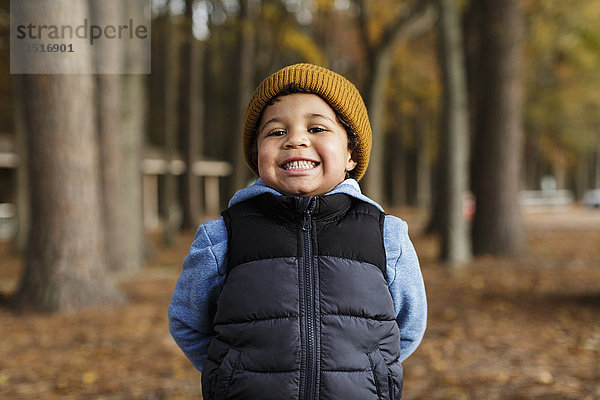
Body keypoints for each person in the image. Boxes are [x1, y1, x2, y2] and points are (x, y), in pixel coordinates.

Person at [168, 63, 427, 400]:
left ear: (351, 152)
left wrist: (375, 371)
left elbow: (408, 325)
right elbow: (188, 322)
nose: (296, 140)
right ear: (255, 154)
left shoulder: (385, 235)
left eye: (317, 128)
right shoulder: (221, 237)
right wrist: (229, 373)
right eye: (276, 132)